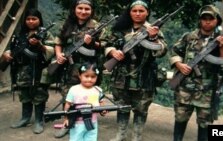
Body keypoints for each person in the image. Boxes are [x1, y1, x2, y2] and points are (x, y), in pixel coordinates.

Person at [170, 4, 223, 141]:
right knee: (180, 120)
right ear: (200, 20)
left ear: (217, 20)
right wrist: (179, 65)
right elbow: (175, 51)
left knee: (204, 126)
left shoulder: (222, 39)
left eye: (210, 18)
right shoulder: (189, 37)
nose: (207, 21)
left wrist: (222, 47)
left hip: (208, 91)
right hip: (185, 88)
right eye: (204, 18)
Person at [104, 0, 167, 140]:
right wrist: (113, 52)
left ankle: (137, 136)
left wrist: (153, 37)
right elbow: (107, 44)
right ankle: (120, 134)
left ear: (147, 13)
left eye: (141, 11)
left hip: (144, 77)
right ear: (129, 12)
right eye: (134, 11)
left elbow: (162, 51)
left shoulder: (153, 30)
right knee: (122, 106)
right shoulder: (121, 28)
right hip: (122, 75)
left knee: (141, 109)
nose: (138, 14)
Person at [53, 0, 106, 138]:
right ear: (74, 9)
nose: (83, 11)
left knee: (87, 97)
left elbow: (104, 46)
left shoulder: (97, 26)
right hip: (69, 68)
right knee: (68, 96)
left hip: (88, 70)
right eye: (80, 8)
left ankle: (86, 124)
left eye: (87, 9)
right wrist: (59, 54)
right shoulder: (67, 24)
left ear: (91, 10)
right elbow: (58, 42)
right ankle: (68, 123)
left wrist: (93, 43)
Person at [0, 9, 55, 134]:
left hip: (40, 69)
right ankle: (25, 118)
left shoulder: (45, 34)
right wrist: (7, 54)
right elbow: (13, 47)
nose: (31, 21)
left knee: (39, 93)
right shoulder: (20, 34)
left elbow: (51, 49)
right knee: (24, 93)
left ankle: (38, 120)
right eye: (28, 19)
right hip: (23, 70)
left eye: (34, 19)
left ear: (39, 20)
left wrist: (39, 45)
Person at [62, 62, 106, 141]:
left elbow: (101, 102)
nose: (89, 79)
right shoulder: (74, 89)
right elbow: (67, 105)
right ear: (80, 75)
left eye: (93, 77)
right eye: (86, 76)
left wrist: (103, 110)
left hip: (93, 122)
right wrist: (66, 118)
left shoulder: (98, 90)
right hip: (77, 123)